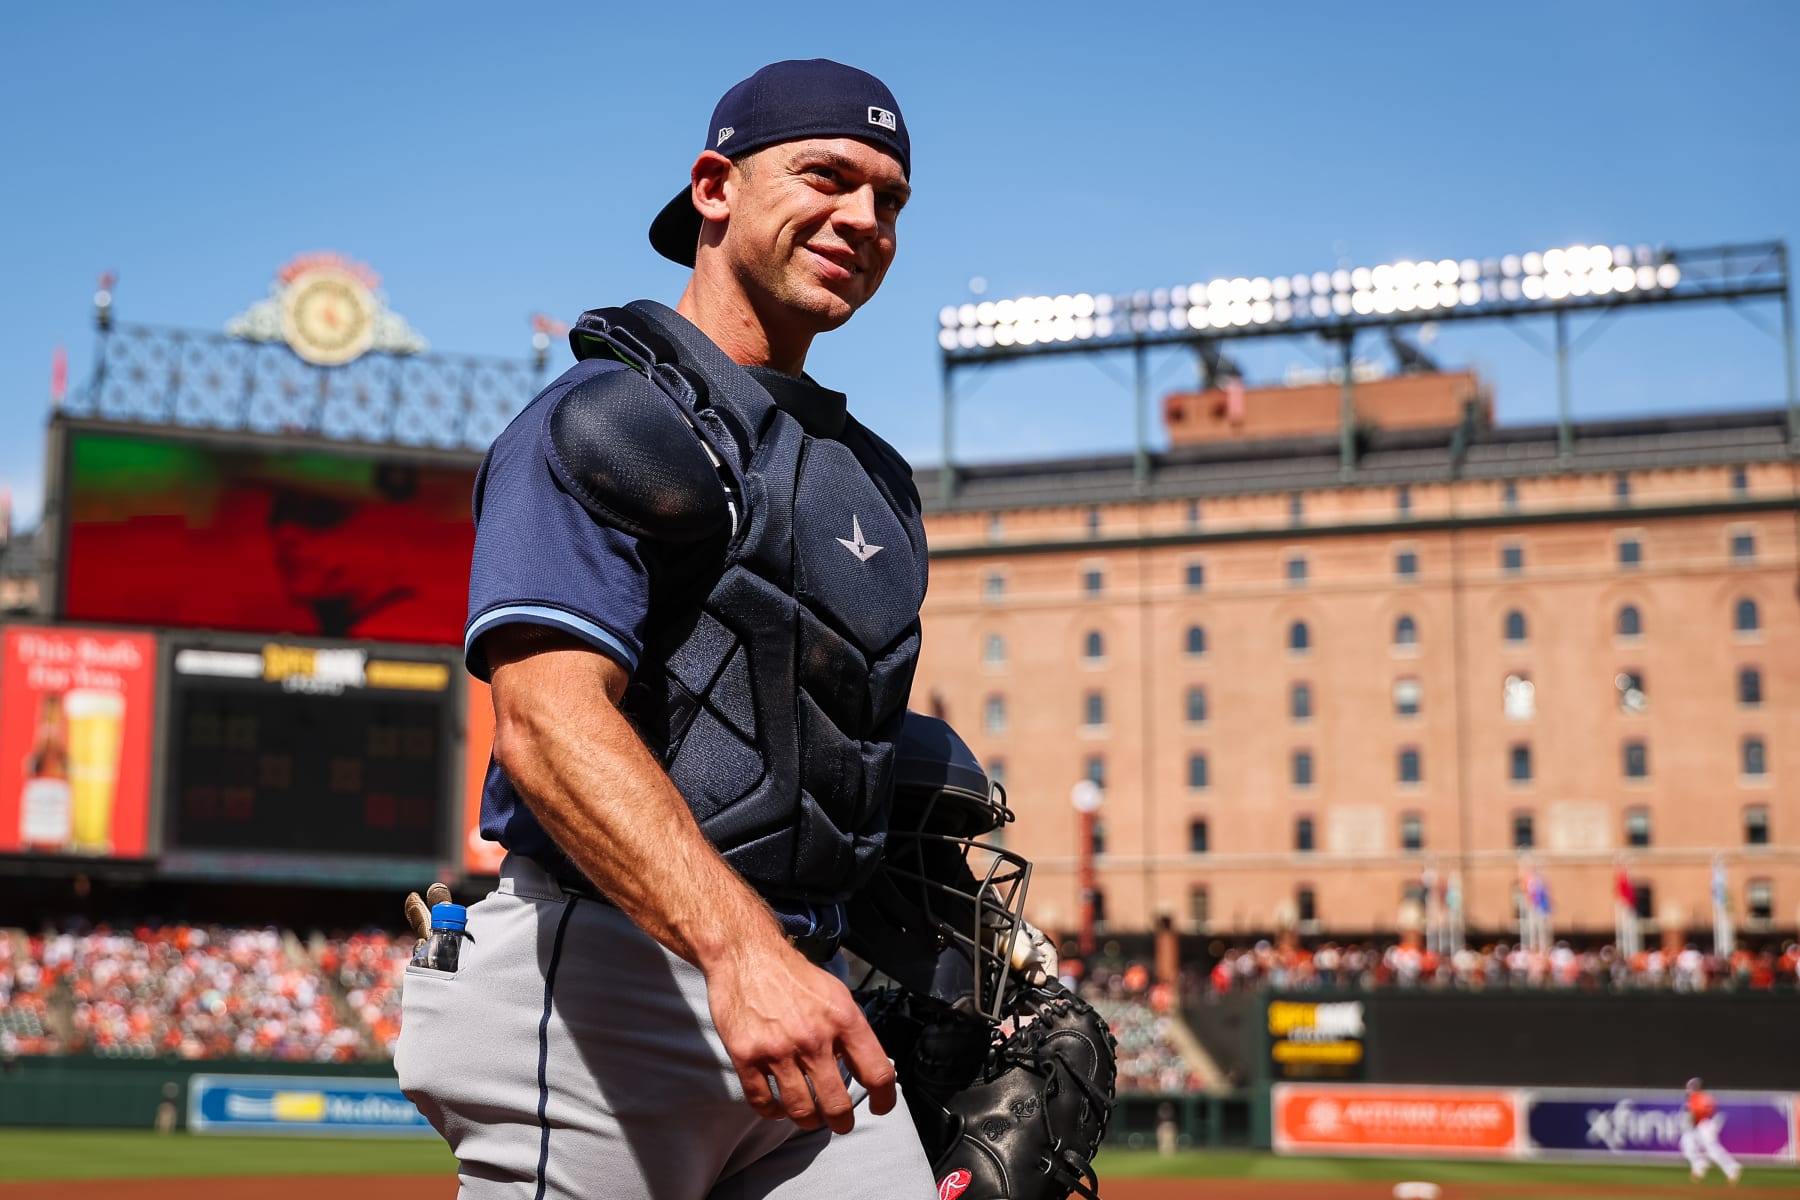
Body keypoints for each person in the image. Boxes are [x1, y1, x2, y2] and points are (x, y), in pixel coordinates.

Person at [396, 60, 945, 1200]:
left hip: (805, 996)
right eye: (827, 177)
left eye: (890, 199)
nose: (864, 219)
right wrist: (745, 956)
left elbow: (802, 732)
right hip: (602, 983)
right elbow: (544, 726)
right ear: (714, 188)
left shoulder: (870, 480)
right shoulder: (607, 423)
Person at [1679, 1077, 1741, 1185]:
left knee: (1712, 1151)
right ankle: (1700, 1165)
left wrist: (1692, 1122)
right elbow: (1713, 1108)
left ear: (1695, 1088)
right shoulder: (1705, 1097)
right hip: (1704, 1124)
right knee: (1686, 1143)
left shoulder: (1696, 1098)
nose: (1688, 1090)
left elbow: (1695, 1115)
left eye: (1690, 1087)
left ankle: (1732, 1168)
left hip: (1704, 1125)